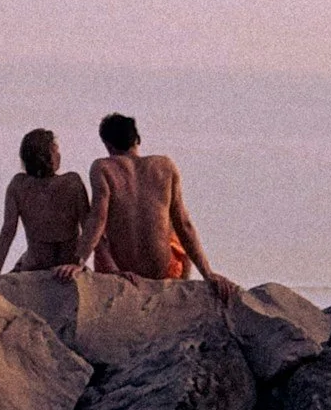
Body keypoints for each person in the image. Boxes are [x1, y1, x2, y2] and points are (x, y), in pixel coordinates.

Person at [57, 112, 239, 303]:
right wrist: (208, 273)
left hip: (122, 271)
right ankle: (181, 288)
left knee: (102, 240)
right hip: (162, 271)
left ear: (107, 145)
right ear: (137, 139)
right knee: (173, 231)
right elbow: (184, 224)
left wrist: (77, 262)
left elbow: (97, 220)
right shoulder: (165, 166)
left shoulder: (103, 167)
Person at [0, 128, 91, 274]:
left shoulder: (19, 185)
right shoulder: (72, 182)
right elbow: (89, 227)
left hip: (37, 262)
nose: (59, 155)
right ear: (48, 155)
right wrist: (81, 262)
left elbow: (8, 230)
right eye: (55, 150)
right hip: (68, 261)